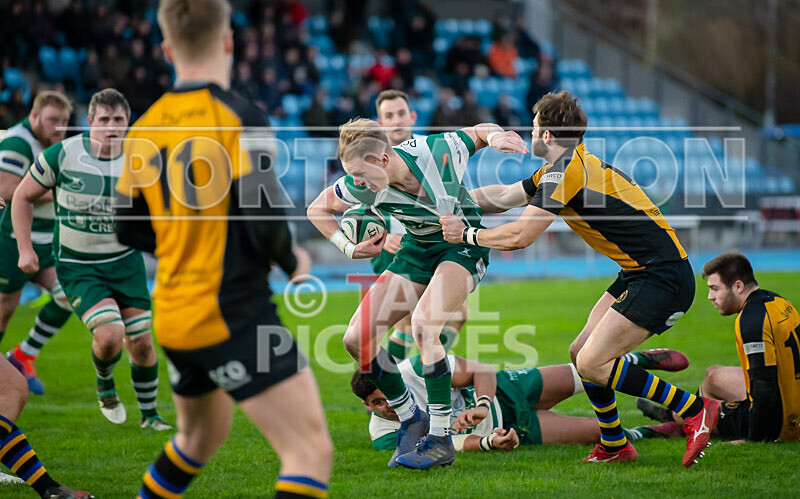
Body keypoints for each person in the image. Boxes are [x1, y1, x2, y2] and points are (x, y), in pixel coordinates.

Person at [116, 1, 332, 497]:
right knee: (309, 451)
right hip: (231, 310)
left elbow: (128, 229)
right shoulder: (241, 116)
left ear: (167, 49)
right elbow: (263, 218)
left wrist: (182, 237)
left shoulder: (143, 128)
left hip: (170, 312)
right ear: (229, 40)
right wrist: (293, 259)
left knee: (198, 437)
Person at [439, 90, 721, 467]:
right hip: (641, 272)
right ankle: (615, 443)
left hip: (662, 277)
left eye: (535, 127)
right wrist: (448, 203)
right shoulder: (563, 166)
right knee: (580, 352)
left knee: (591, 361)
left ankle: (695, 408)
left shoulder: (563, 171)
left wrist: (467, 235)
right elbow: (504, 194)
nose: (531, 133)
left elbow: (521, 236)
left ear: (548, 136)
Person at [307, 116, 528, 469]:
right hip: (417, 249)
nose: (356, 185)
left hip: (462, 244)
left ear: (383, 159)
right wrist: (348, 248)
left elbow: (479, 131)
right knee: (355, 340)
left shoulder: (436, 150)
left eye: (361, 176)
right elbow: (316, 208)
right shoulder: (358, 182)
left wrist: (498, 137)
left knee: (425, 325)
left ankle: (440, 439)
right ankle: (412, 417)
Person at [11, 89, 170, 432]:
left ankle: (150, 415)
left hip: (126, 264)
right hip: (79, 266)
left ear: (128, 123)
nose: (112, 128)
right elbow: (22, 195)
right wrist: (26, 248)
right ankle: (105, 382)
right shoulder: (63, 154)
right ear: (90, 122)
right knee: (111, 334)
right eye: (104, 120)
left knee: (141, 341)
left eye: (119, 121)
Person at [353, 349, 692, 452]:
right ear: (368, 406)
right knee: (601, 432)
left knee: (585, 371)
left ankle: (638, 360)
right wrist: (488, 440)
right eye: (377, 404)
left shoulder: (414, 369)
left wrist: (482, 406)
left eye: (387, 397)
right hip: (513, 426)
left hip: (509, 389)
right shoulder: (383, 436)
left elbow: (480, 370)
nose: (387, 407)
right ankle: (658, 431)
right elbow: (443, 448)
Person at [638, 252, 800, 443]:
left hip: (781, 422)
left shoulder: (750, 321)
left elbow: (764, 388)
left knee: (708, 410)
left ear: (738, 286)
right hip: (793, 394)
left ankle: (676, 419)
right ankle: (679, 418)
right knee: (713, 375)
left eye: (715, 289)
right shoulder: (778, 302)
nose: (710, 297)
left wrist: (753, 439)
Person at [0, 197, 91, 497]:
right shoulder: (21, 147)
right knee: (11, 390)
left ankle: (49, 490)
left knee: (12, 389)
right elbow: (14, 189)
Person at [374, 89, 467, 361]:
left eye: (401, 113)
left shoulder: (430, 149)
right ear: (380, 123)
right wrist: (381, 234)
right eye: (389, 116)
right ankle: (393, 392)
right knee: (408, 323)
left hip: (438, 246)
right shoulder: (374, 159)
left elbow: (455, 190)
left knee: (457, 316)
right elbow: (357, 208)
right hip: (397, 251)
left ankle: (412, 375)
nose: (396, 120)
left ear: (412, 116)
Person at [0, 91, 73, 395]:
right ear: (34, 117)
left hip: (46, 241)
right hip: (13, 240)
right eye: (52, 120)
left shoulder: (55, 146)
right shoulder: (19, 142)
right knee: (5, 309)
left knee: (68, 294)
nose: (59, 127)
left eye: (65, 121)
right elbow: (6, 188)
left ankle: (23, 355)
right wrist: (61, 189)